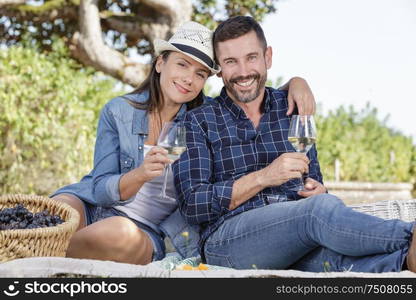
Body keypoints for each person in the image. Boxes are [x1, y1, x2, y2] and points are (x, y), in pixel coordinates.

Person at [51, 20, 316, 265]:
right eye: (181, 64)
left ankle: (40, 257)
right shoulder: (119, 111)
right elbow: (98, 188)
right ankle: (34, 250)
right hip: (94, 206)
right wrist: (140, 174)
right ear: (159, 63)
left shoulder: (204, 118)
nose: (189, 79)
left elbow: (252, 94)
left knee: (118, 233)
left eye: (200, 73)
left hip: (144, 229)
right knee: (58, 210)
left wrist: (296, 82)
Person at [174, 16, 416, 273]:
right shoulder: (197, 120)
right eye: (231, 62)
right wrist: (265, 177)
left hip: (296, 236)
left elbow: (315, 183)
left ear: (268, 57)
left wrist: (318, 190)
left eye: (251, 57)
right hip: (228, 243)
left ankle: (405, 260)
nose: (243, 71)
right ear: (220, 69)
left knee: (338, 261)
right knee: (316, 213)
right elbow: (192, 204)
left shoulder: (292, 108)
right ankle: (410, 234)